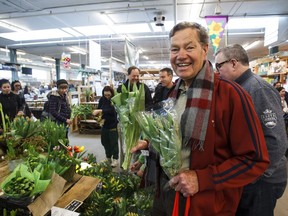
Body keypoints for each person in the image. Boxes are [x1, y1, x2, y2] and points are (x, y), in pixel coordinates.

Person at [131, 21, 269, 215]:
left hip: (205, 205)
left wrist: (202, 179)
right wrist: (150, 147)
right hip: (165, 195)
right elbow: (175, 142)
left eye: (189, 47)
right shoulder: (174, 94)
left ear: (205, 50)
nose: (180, 55)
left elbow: (255, 160)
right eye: (174, 49)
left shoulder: (231, 95)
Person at [215, 44, 288, 216]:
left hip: (262, 181)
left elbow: (276, 141)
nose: (217, 72)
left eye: (219, 66)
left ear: (233, 63)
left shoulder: (257, 89)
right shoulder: (238, 89)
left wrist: (254, 176)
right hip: (250, 177)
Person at [92, 86, 119, 167]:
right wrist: (98, 117)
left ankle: (115, 159)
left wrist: (101, 110)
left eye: (108, 95)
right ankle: (108, 158)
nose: (107, 97)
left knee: (113, 143)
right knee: (105, 142)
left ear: (111, 93)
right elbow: (99, 108)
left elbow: (113, 110)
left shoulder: (115, 99)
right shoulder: (102, 99)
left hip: (113, 125)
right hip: (104, 125)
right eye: (105, 95)